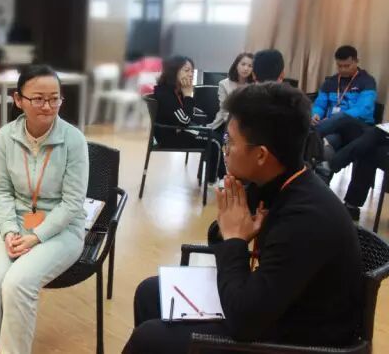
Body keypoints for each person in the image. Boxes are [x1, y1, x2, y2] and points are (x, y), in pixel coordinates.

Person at [124, 82, 362, 354]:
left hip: (302, 338)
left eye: (230, 142)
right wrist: (229, 232)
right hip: (272, 304)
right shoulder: (273, 182)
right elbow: (224, 236)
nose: (225, 150)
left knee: (149, 338)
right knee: (150, 293)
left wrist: (235, 240)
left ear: (261, 155)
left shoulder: (306, 217)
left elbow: (244, 321)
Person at [0, 65, 89, 354]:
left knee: (18, 283)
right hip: (16, 221)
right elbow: (0, 190)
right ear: (18, 99)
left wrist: (37, 236)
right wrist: (9, 231)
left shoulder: (73, 140)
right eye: (38, 99)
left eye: (54, 98)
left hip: (62, 229)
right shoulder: (5, 137)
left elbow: (73, 203)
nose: (47, 106)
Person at [153, 55, 224, 181]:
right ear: (174, 71)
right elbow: (185, 120)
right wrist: (188, 95)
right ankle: (214, 181)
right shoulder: (165, 93)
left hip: (180, 130)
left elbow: (187, 116)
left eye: (192, 71)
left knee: (216, 136)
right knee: (214, 142)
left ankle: (218, 177)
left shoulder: (176, 89)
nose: (191, 74)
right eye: (186, 70)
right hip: (170, 136)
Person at [312, 45, 377, 153]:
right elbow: (319, 105)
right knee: (328, 142)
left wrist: (334, 119)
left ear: (356, 61)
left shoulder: (367, 81)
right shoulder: (330, 82)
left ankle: (310, 135)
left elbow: (364, 109)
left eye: (347, 66)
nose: (343, 69)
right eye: (339, 66)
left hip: (358, 126)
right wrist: (315, 114)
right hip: (332, 127)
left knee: (341, 117)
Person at [209, 52, 254, 130]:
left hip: (248, 126)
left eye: (250, 66)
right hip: (226, 123)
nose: (246, 68)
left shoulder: (254, 86)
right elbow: (224, 111)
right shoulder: (224, 84)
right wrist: (238, 126)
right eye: (243, 64)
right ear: (236, 65)